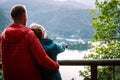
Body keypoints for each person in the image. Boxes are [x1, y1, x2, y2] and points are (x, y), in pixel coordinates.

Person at [1, 4, 59, 80]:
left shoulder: (3, 35)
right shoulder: (29, 34)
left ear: (12, 17)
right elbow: (42, 58)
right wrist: (56, 66)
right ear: (25, 16)